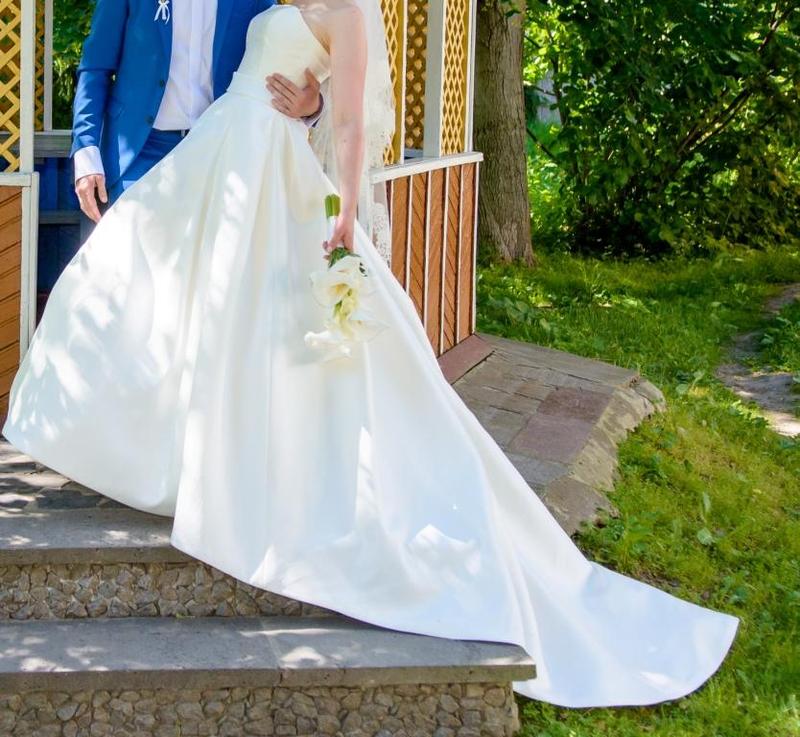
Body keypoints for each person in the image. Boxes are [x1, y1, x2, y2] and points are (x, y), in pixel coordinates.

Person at [1, 0, 738, 708]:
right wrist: (94, 147)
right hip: (197, 157)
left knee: (252, 323)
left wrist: (331, 160)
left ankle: (232, 462)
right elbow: (99, 63)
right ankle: (150, 445)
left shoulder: (326, 12)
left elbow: (344, 109)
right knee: (131, 283)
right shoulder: (284, 2)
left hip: (260, 164)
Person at [71, 0, 323, 222]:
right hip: (141, 152)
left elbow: (277, 54)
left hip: (221, 154)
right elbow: (96, 66)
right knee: (129, 251)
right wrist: (86, 148)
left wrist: (311, 107)